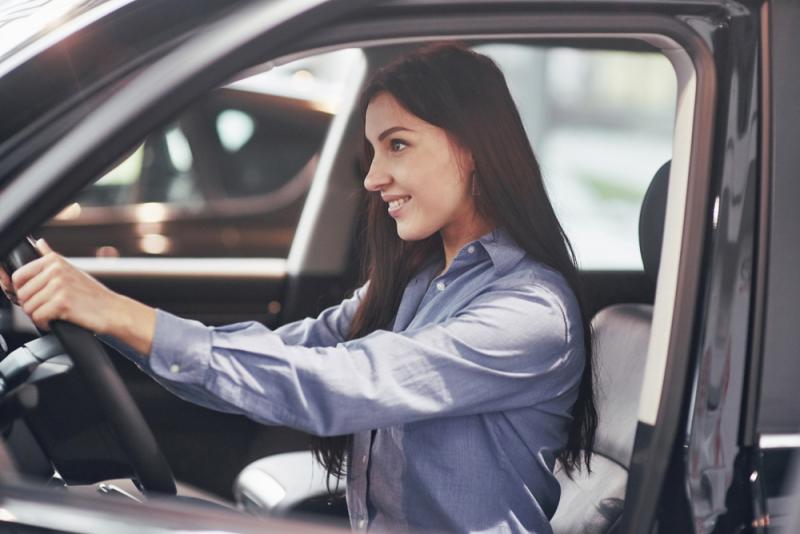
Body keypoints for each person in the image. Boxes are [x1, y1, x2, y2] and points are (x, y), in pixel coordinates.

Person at [0, 43, 596, 533]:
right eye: (372, 151)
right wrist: (99, 314)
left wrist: (113, 312)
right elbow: (280, 358)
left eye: (398, 144)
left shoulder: (530, 311)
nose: (371, 177)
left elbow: (337, 384)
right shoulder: (417, 282)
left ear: (470, 148)